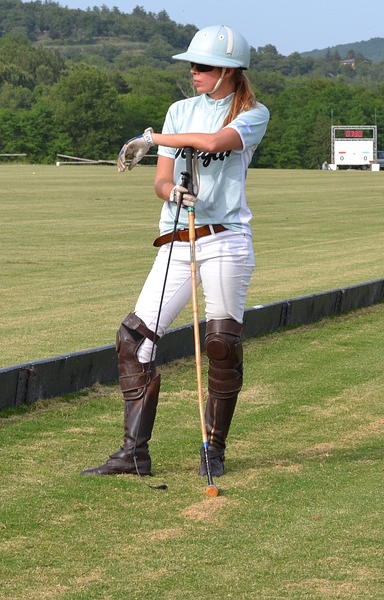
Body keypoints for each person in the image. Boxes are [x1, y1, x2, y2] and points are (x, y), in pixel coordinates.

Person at [83, 25, 269, 480]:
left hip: (225, 239)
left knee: (220, 345)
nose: (193, 72)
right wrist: (172, 194)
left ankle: (214, 448)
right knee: (134, 339)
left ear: (228, 72)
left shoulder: (252, 113)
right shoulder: (179, 110)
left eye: (203, 66)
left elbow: (210, 144)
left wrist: (151, 139)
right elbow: (161, 180)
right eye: (191, 64)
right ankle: (133, 452)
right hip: (177, 239)